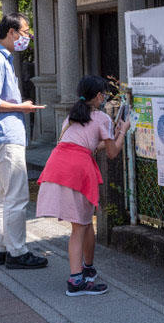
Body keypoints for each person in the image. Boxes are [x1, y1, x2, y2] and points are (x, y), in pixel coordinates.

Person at [36, 75, 130, 296]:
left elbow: (87, 143)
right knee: (79, 227)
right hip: (78, 169)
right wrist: (123, 130)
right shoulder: (102, 117)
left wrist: (112, 133)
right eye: (104, 94)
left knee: (86, 222)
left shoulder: (72, 116)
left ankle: (88, 268)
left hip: (58, 165)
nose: (105, 97)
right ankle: (76, 280)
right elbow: (112, 152)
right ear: (98, 96)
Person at [0, 12, 48, 270]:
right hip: (6, 137)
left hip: (1, 136)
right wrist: (22, 108)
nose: (27, 37)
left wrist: (21, 107)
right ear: (11, 32)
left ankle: (1, 248)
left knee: (5, 196)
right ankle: (17, 252)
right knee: (16, 197)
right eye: (25, 31)